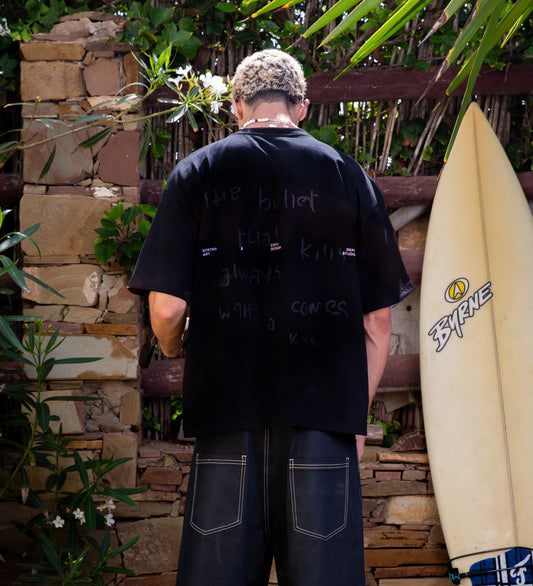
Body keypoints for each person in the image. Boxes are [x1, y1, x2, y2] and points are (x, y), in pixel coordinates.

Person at [128, 49, 413, 586]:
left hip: (226, 426)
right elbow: (377, 323)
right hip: (322, 427)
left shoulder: (196, 173)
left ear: (237, 107)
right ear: (301, 107)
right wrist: (352, 419)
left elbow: (166, 308)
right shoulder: (348, 176)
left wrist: (172, 347)